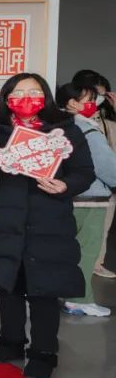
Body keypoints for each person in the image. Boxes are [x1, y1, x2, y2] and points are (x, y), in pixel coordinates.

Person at [0, 73, 95, 378]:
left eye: (34, 91)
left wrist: (65, 185)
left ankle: (43, 352)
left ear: (46, 97)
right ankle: (11, 342)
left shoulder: (65, 131)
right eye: (18, 92)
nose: (26, 97)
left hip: (49, 221)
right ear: (7, 98)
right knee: (8, 284)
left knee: (44, 289)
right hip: (3, 220)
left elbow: (85, 172)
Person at [54, 82, 114, 317]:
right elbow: (107, 168)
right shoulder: (87, 130)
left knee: (68, 251)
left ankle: (67, 293)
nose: (95, 104)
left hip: (67, 197)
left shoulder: (58, 127)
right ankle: (79, 298)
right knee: (87, 251)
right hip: (90, 198)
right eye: (90, 99)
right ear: (72, 103)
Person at [71, 69, 116, 279]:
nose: (96, 101)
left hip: (104, 190)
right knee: (86, 241)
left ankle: (96, 264)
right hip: (89, 193)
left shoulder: (107, 122)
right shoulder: (78, 124)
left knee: (100, 233)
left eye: (100, 96)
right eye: (91, 96)